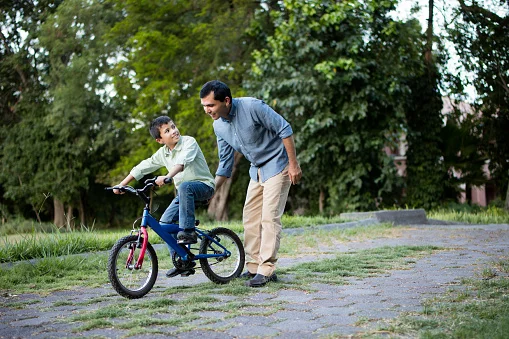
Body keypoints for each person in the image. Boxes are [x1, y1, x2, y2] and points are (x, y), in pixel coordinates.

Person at [200, 80, 302, 287]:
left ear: (226, 101)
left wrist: (294, 165)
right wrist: (211, 190)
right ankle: (254, 267)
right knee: (250, 218)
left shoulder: (252, 107)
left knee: (269, 217)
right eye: (204, 106)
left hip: (278, 164)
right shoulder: (218, 125)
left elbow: (285, 129)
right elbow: (225, 164)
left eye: (210, 105)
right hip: (256, 171)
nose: (206, 110)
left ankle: (266, 270)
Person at [113, 116, 215, 277]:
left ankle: (188, 231)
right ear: (160, 140)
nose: (174, 131)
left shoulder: (189, 142)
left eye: (173, 126)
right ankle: (182, 261)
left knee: (184, 186)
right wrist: (122, 184)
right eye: (167, 130)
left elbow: (181, 163)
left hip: (203, 186)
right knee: (164, 224)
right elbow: (144, 166)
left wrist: (167, 176)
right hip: (184, 194)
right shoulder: (163, 153)